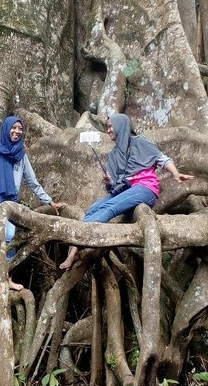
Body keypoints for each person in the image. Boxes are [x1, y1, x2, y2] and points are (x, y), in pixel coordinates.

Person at [59, 113, 194, 270]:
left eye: (111, 126)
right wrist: (110, 182)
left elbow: (162, 159)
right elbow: (116, 187)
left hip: (145, 189)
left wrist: (176, 174)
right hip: (127, 192)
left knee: (110, 207)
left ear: (120, 126)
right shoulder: (114, 154)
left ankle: (78, 234)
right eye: (108, 127)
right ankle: (73, 253)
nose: (108, 130)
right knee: (95, 206)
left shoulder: (139, 142)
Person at [0, 115, 66, 290]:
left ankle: (6, 280)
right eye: (13, 128)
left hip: (9, 201)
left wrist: (50, 202)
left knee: (10, 238)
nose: (17, 131)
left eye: (20, 129)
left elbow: (32, 181)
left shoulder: (21, 155)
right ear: (6, 129)